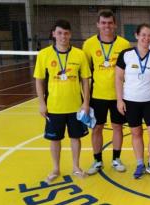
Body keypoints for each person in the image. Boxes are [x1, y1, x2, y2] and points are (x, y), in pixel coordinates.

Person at [34, 19, 91, 183]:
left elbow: (86, 80)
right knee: (54, 139)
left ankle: (76, 167)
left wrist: (85, 103)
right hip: (54, 106)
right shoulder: (44, 54)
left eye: (66, 33)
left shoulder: (79, 54)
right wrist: (41, 103)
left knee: (75, 138)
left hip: (75, 106)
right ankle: (56, 169)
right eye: (59, 33)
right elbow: (39, 80)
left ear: (70, 34)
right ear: (53, 34)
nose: (63, 36)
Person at [82, 9, 131, 175]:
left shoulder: (124, 44)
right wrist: (85, 101)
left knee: (118, 127)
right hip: (97, 96)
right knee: (97, 128)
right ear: (97, 24)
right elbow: (86, 74)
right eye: (103, 23)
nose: (107, 26)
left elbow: (127, 72)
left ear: (115, 24)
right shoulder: (88, 45)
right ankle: (97, 160)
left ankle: (116, 159)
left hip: (118, 96)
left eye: (110, 23)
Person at [115, 24, 150, 179]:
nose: (146, 38)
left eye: (149, 35)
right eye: (143, 35)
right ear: (137, 36)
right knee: (136, 133)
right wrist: (119, 100)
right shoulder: (126, 54)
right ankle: (139, 164)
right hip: (131, 101)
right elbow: (118, 78)